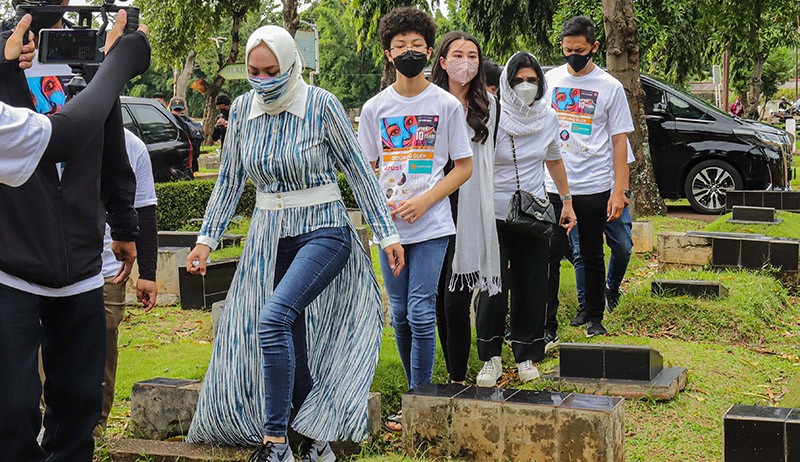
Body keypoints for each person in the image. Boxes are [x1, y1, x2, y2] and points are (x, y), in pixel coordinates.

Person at [184, 25, 404, 462]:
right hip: (269, 236)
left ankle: (276, 443)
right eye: (254, 71)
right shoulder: (244, 109)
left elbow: (359, 171)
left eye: (272, 70)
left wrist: (387, 233)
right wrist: (205, 240)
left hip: (324, 229)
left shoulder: (321, 105)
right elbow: (229, 181)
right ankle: (316, 442)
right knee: (291, 338)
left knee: (272, 319)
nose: (264, 79)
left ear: (291, 65)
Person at [0, 9, 151, 461]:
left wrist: (124, 225)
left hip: (83, 268)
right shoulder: (8, 75)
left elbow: (109, 144)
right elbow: (65, 136)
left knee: (79, 407)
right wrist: (120, 62)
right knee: (12, 411)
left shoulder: (86, 75)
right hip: (13, 267)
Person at [357, 7, 473, 431]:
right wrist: (379, 219)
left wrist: (425, 201)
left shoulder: (445, 105)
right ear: (389, 54)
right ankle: (413, 395)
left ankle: (420, 400)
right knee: (400, 314)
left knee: (423, 312)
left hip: (432, 226)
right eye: (400, 46)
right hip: (389, 231)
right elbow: (366, 167)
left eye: (416, 46)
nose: (409, 52)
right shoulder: (375, 109)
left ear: (429, 51)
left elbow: (463, 166)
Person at [474, 52, 576, 387]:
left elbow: (555, 160)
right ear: (507, 82)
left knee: (533, 284)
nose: (526, 86)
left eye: (532, 80)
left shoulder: (548, 117)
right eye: (519, 80)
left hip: (533, 212)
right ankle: (491, 357)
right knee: (494, 286)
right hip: (495, 212)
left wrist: (567, 202)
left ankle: (526, 354)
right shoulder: (492, 114)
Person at [545, 15, 634, 339]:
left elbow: (619, 140)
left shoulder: (609, 87)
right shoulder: (551, 81)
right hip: (552, 185)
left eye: (579, 50)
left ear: (594, 47)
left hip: (594, 183)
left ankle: (595, 316)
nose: (573, 56)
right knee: (551, 254)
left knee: (593, 253)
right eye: (567, 49)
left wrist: (618, 190)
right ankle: (547, 324)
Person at [430, 31, 501, 387]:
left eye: (473, 56)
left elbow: (492, 157)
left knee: (455, 298)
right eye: (458, 55)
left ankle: (457, 377)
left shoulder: (488, 106)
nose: (466, 62)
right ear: (442, 61)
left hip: (468, 205)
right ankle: (451, 371)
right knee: (437, 297)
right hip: (432, 203)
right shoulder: (427, 102)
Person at [95, 128, 159, 435]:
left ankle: (95, 429)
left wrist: (147, 273)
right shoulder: (54, 130)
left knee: (102, 347)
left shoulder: (131, 146)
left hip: (109, 268)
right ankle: (44, 424)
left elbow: (145, 209)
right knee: (45, 348)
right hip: (52, 264)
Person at [170, 96, 204, 173]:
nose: (178, 113)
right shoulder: (192, 124)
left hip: (187, 160)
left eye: (179, 110)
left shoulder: (191, 125)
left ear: (184, 109)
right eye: (176, 110)